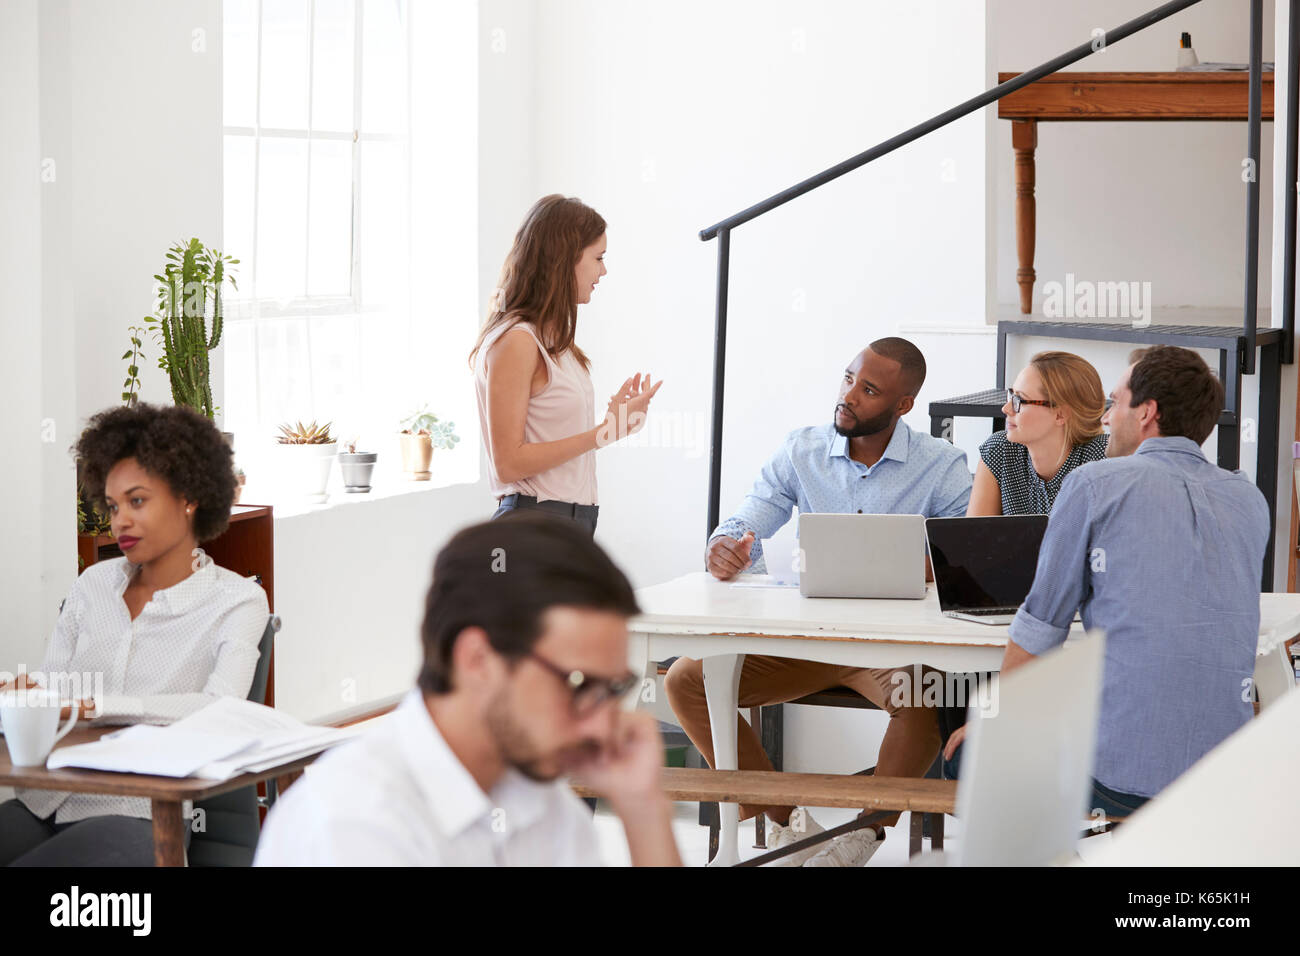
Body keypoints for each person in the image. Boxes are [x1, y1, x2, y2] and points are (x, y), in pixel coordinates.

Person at [666, 337, 972, 867]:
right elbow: (744, 521)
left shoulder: (942, 466)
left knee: (928, 697)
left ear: (903, 405)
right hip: (804, 641)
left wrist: (921, 567)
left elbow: (964, 561)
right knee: (685, 679)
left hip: (890, 648)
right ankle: (790, 824)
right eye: (848, 378)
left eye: (869, 389)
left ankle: (861, 838)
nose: (849, 395)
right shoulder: (800, 450)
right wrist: (726, 548)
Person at [943, 346, 1270, 821]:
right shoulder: (1249, 499)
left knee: (961, 754)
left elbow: (1041, 625)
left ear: (1147, 413)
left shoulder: (1095, 484)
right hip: (1222, 775)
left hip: (1119, 779)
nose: (1106, 418)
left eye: (1114, 403)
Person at [254, 513, 681, 866]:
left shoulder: (543, 803)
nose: (602, 724)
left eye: (613, 688)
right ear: (477, 659)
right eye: (579, 684)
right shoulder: (354, 826)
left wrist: (644, 810)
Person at [0, 403, 269, 866]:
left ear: (189, 498)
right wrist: (24, 699)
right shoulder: (92, 586)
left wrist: (96, 706)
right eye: (112, 505)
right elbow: (53, 689)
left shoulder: (238, 601)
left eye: (137, 500)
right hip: (49, 801)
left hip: (141, 818)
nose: (119, 520)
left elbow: (220, 709)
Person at [470, 194, 663, 535]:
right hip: (535, 527)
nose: (603, 270)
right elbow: (508, 463)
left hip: (571, 524)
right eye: (598, 258)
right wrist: (603, 433)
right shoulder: (517, 341)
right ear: (564, 260)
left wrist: (609, 423)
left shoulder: (555, 343)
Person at [967, 351, 1108, 517]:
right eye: (1011, 395)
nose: (1006, 409)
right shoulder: (999, 450)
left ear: (1060, 414)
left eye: (1019, 400)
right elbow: (975, 540)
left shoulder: (1104, 458)